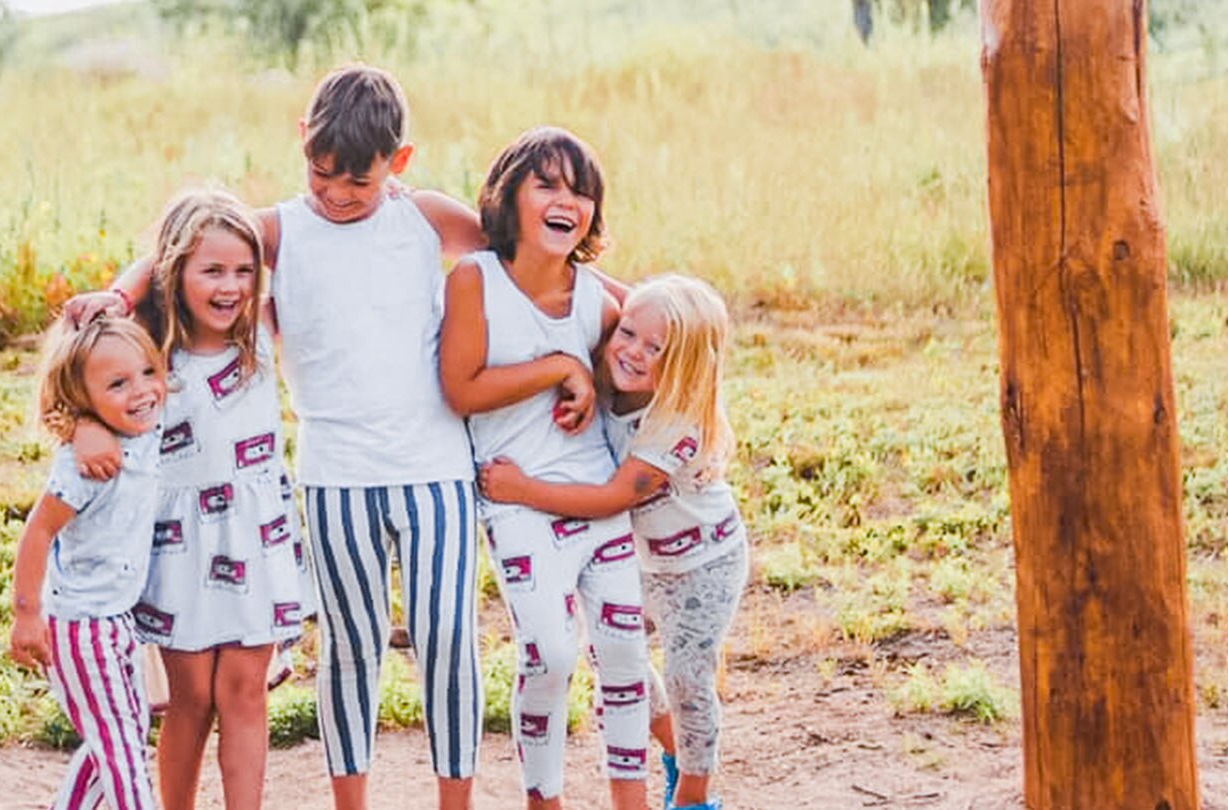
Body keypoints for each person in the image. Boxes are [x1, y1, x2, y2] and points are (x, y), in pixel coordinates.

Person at [68, 63, 488, 810]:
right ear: (302, 143)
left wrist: (621, 309)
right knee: (350, 651)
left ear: (399, 162)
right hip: (333, 478)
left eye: (356, 183)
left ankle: (454, 799)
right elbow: (185, 243)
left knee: (448, 640)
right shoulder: (280, 231)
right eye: (320, 173)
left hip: (434, 468)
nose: (334, 193)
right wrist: (122, 293)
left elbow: (521, 258)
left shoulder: (423, 216)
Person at [440, 126, 651, 809]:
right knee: (552, 653)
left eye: (582, 191)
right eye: (549, 186)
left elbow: (658, 337)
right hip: (516, 498)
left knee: (623, 656)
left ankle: (633, 798)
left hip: (597, 497)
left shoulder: (600, 302)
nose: (569, 201)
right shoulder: (476, 281)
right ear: (509, 198)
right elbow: (462, 388)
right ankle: (544, 797)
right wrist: (560, 367)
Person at [481, 274, 747, 810]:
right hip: (648, 562)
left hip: (705, 562)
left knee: (686, 677)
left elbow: (611, 498)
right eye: (627, 333)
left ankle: (694, 797)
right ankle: (674, 751)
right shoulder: (614, 367)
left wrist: (522, 489)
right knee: (614, 656)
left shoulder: (676, 422)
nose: (631, 351)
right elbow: (613, 301)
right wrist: (571, 267)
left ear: (685, 364)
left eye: (655, 348)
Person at [123, 188, 314, 810]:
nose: (230, 286)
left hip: (256, 537)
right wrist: (125, 289)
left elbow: (322, 246)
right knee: (192, 698)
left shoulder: (261, 330)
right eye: (211, 270)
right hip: (180, 545)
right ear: (174, 274)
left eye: (242, 271)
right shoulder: (147, 354)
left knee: (244, 689)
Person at [7, 315, 169, 810]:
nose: (141, 391)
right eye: (118, 384)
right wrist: (25, 614)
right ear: (84, 400)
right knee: (124, 755)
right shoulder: (86, 467)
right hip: (81, 627)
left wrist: (88, 419)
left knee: (117, 738)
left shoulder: (146, 424)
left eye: (148, 372)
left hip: (118, 619)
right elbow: (37, 532)